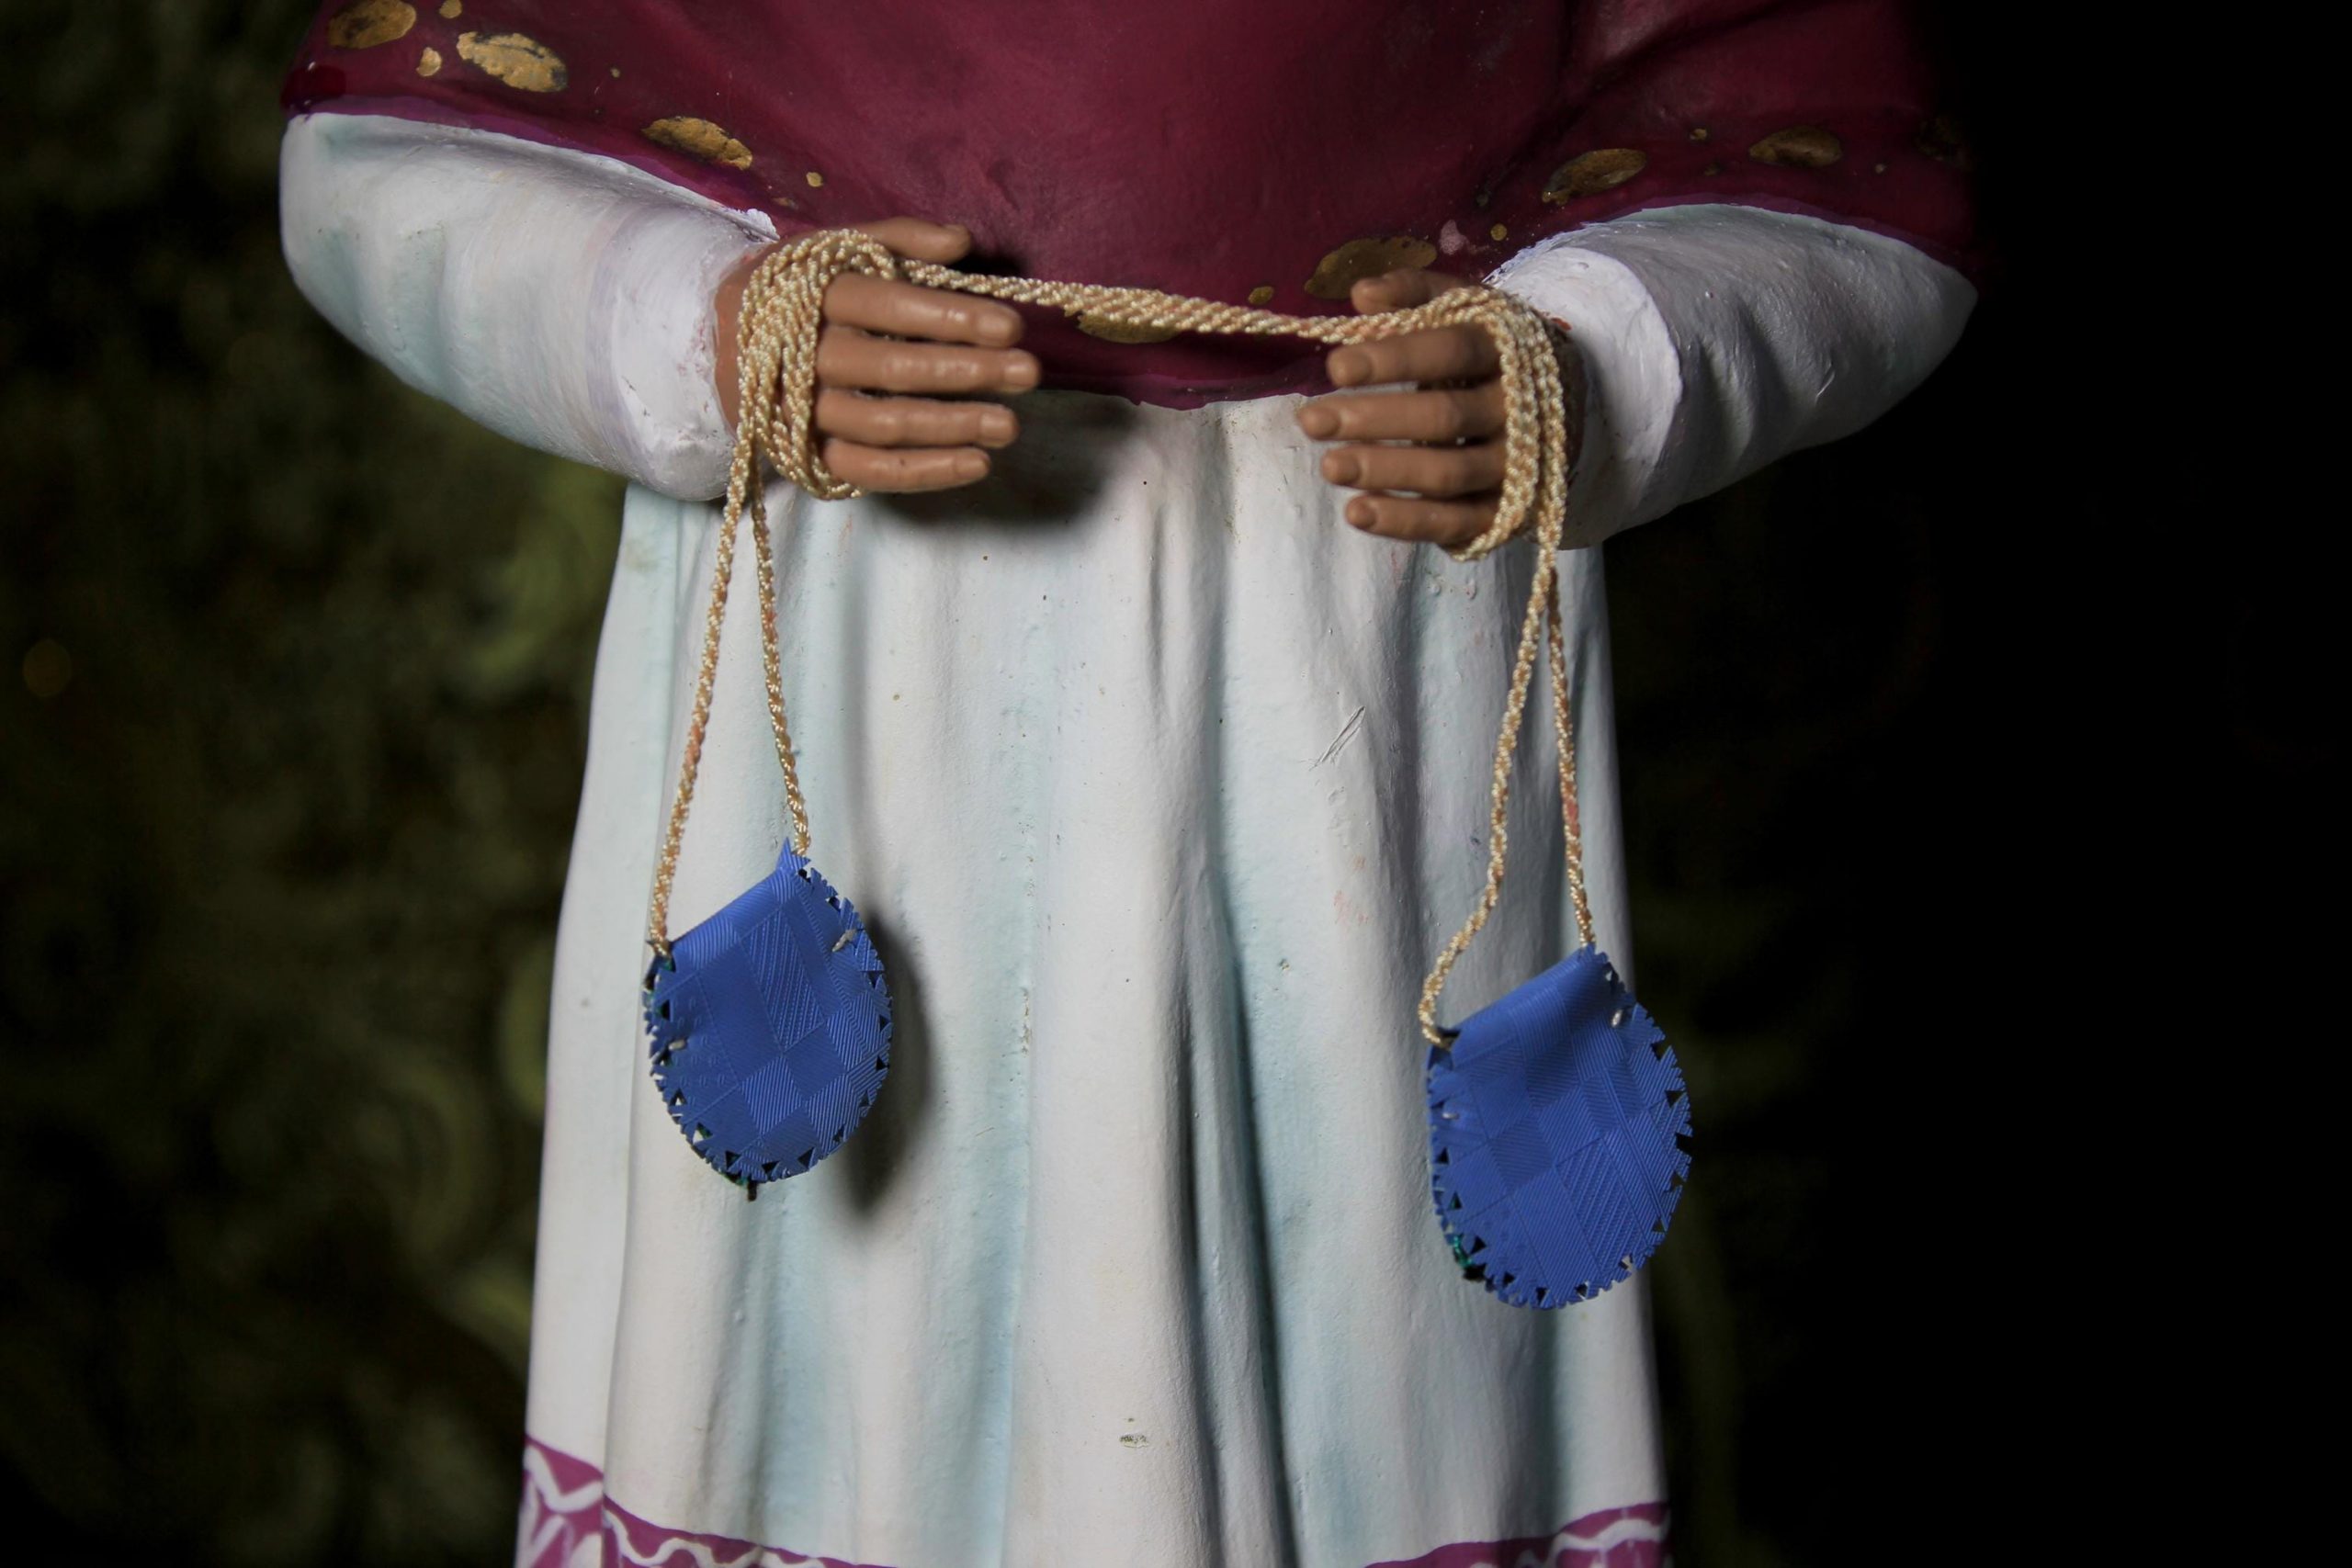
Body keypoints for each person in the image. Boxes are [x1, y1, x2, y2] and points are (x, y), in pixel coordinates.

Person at [277, 4, 1976, 1562]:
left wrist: (1596, 366)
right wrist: (698, 333)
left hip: (1358, 669)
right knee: (849, 1385)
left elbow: (1841, 180)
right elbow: (380, 161)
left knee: (1370, 1367)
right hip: (867, 665)